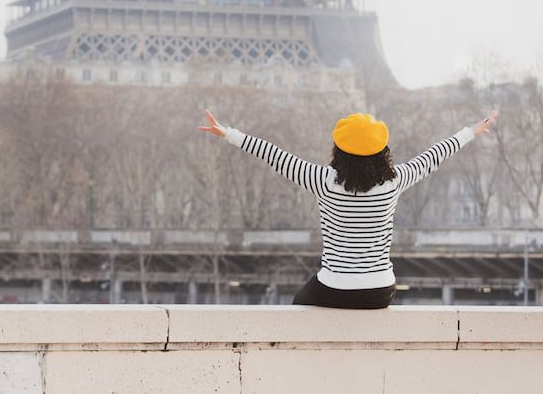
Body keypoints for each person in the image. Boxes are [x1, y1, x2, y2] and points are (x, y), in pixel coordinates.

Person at [198, 108, 499, 309]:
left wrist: (229, 134)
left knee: (296, 310)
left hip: (334, 286)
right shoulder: (394, 182)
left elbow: (275, 156)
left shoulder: (322, 181)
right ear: (382, 153)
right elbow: (434, 155)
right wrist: (470, 131)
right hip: (381, 290)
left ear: (338, 151)